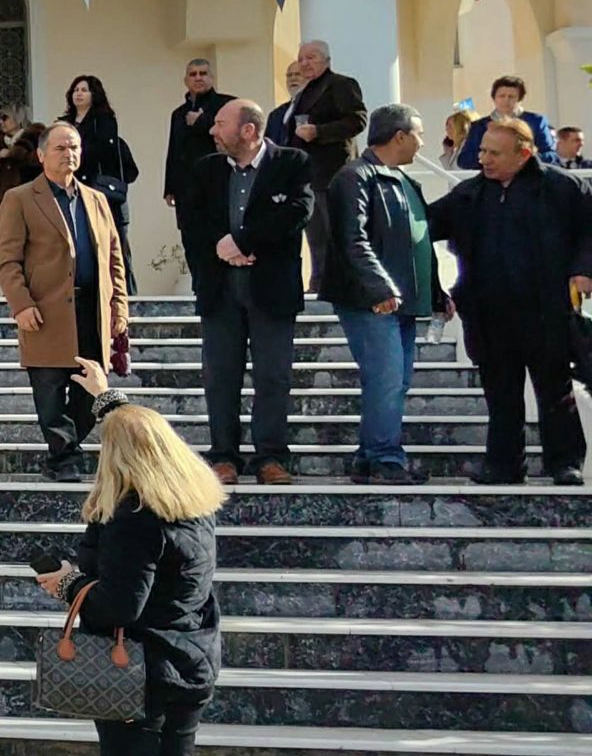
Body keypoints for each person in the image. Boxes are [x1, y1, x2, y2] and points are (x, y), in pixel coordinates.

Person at [33, 357, 223, 756]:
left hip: (138, 672)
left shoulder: (133, 518)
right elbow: (138, 432)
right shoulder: (195, 506)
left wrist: (66, 584)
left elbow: (121, 607)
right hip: (191, 662)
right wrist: (107, 397)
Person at [429, 115, 592, 484]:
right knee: (500, 393)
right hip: (488, 311)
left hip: (546, 309)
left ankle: (564, 463)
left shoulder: (561, 188)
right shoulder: (470, 194)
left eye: (494, 153)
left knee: (555, 390)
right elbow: (425, 224)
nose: (484, 159)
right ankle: (503, 465)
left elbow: (589, 230)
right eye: (483, 151)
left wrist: (584, 269)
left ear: (523, 154)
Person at [180, 100, 313, 486]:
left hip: (271, 287)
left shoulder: (292, 163)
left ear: (248, 130)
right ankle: (224, 456)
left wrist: (243, 241)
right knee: (221, 376)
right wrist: (221, 251)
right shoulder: (205, 169)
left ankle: (270, 456)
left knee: (273, 375)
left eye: (220, 124)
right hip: (220, 288)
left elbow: (297, 212)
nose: (212, 131)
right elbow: (191, 221)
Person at [0, 122, 130, 480]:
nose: (69, 154)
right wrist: (21, 304)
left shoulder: (96, 199)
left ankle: (66, 450)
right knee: (50, 392)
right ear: (41, 155)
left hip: (92, 310)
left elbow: (114, 259)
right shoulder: (21, 198)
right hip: (45, 310)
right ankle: (64, 459)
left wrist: (119, 307)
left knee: (89, 391)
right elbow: (8, 260)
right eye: (60, 148)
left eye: (74, 148)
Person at [325, 104, 450, 485]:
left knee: (395, 380)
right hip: (372, 301)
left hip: (404, 301)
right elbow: (352, 239)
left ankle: (369, 457)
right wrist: (379, 287)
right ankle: (385, 457)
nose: (422, 143)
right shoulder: (354, 177)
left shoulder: (404, 181)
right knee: (386, 378)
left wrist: (437, 293)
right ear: (399, 136)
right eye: (418, 134)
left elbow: (419, 241)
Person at [276, 41, 365, 293]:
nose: (305, 63)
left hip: (332, 173)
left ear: (326, 60)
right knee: (316, 236)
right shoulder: (304, 92)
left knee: (336, 233)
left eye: (311, 58)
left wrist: (319, 131)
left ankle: (342, 286)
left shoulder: (340, 84)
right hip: (308, 176)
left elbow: (357, 120)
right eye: (301, 58)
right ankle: (319, 284)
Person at [60, 73, 140, 294]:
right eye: (76, 90)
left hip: (98, 190)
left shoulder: (104, 120)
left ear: (94, 94)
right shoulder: (64, 123)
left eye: (84, 90)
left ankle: (124, 291)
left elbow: (102, 151)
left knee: (114, 245)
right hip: (72, 188)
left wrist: (78, 150)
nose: (79, 94)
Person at [161, 58, 234, 235]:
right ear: (186, 80)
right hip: (186, 189)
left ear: (212, 78)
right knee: (191, 239)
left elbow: (233, 135)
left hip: (219, 185)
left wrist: (203, 121)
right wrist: (169, 187)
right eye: (193, 74)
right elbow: (174, 149)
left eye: (203, 73)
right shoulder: (178, 114)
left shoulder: (227, 105)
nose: (198, 78)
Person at [455, 75, 558, 168]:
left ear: (519, 99)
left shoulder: (536, 121)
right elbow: (464, 160)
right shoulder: (479, 125)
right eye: (502, 96)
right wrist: (491, 156)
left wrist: (523, 158)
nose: (506, 100)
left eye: (511, 97)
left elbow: (551, 156)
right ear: (494, 98)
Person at [0, 107, 44, 249]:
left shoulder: (35, 138)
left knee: (31, 241)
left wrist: (14, 153)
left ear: (18, 118)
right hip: (3, 199)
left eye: (5, 118)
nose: (0, 122)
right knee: (5, 241)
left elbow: (40, 161)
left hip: (30, 197)